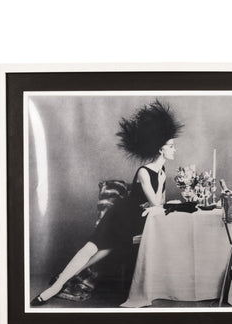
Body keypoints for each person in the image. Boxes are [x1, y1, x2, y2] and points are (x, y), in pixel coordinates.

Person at [31, 100, 183, 306]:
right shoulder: (144, 172)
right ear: (160, 150)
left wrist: (159, 200)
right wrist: (159, 193)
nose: (175, 149)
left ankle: (61, 280)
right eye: (171, 146)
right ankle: (53, 289)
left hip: (134, 221)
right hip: (121, 216)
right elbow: (156, 204)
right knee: (91, 249)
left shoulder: (162, 171)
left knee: (102, 253)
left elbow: (159, 205)